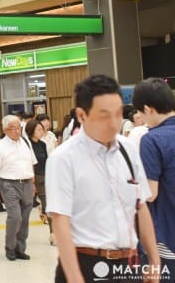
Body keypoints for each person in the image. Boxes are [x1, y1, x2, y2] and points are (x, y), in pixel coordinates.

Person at [47, 75, 162, 283]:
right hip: (86, 264)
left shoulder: (127, 149)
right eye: (104, 116)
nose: (114, 123)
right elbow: (60, 221)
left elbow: (141, 206)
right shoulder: (63, 158)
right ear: (82, 115)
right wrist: (75, 278)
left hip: (128, 265)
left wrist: (155, 262)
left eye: (118, 114)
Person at [133, 77, 175, 278]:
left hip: (166, 235)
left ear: (148, 109)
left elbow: (150, 193)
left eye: (140, 112)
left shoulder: (151, 140)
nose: (140, 117)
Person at [0, 115, 37, 261]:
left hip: (27, 183)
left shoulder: (26, 142)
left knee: (25, 218)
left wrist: (33, 183)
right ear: (5, 130)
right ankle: (10, 247)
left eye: (19, 128)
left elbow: (31, 163)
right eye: (13, 128)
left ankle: (20, 249)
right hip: (9, 184)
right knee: (15, 217)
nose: (17, 131)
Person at [25, 119, 54, 245]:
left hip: (43, 177)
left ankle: (53, 234)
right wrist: (31, 181)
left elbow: (46, 161)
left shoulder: (42, 144)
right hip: (30, 178)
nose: (41, 131)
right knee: (25, 207)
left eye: (42, 129)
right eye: (38, 129)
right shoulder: (26, 145)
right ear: (31, 131)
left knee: (48, 205)